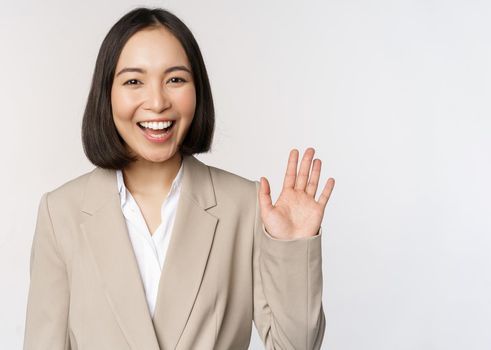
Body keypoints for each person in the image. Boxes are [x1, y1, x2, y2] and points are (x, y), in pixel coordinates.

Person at [23, 7, 334, 350]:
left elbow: (296, 346)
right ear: (106, 94)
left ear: (197, 90)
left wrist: (290, 249)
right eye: (133, 81)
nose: (157, 102)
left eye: (175, 79)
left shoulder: (243, 205)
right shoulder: (61, 212)